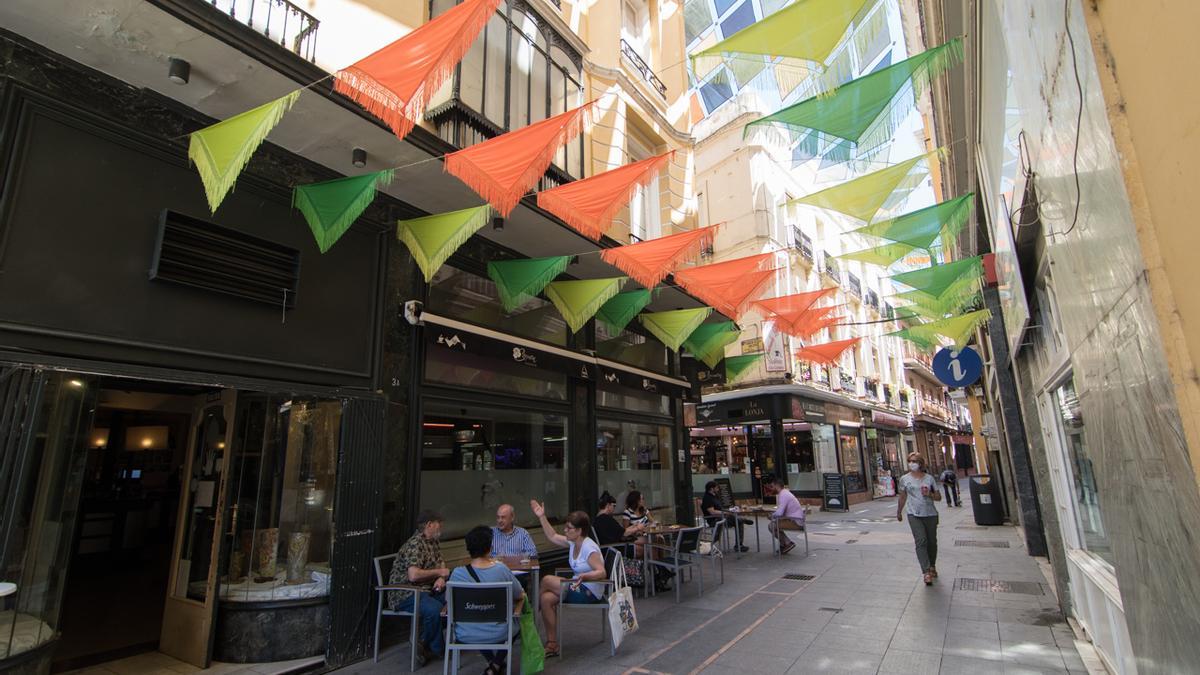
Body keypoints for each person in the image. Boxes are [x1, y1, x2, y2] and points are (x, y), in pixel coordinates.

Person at [529, 499, 606, 658]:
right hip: (576, 586)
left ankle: (528, 617)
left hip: (588, 592)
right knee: (546, 599)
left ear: (579, 531)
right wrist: (541, 516)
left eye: (569, 528)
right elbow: (552, 536)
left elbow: (602, 572)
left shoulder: (588, 548)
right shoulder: (573, 542)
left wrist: (585, 576)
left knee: (546, 580)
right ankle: (552, 644)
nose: (565, 530)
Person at [449, 525, 526, 675]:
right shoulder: (501, 570)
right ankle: (496, 664)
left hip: (465, 632)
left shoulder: (457, 574)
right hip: (499, 631)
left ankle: (493, 663)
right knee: (517, 622)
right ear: (489, 547)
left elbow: (449, 602)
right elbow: (518, 594)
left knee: (477, 618)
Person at [388, 509, 450, 666]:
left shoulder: (433, 541)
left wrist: (441, 578)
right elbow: (413, 575)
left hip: (427, 589)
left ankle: (423, 642)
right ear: (429, 524)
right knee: (435, 609)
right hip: (406, 592)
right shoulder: (415, 544)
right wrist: (439, 572)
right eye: (439, 524)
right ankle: (436, 648)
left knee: (452, 601)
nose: (441, 527)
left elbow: (441, 562)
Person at [897, 452, 943, 585]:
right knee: (921, 541)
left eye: (915, 461)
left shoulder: (929, 479)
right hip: (913, 514)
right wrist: (899, 511)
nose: (912, 463)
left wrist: (930, 494)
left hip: (930, 514)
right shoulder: (904, 479)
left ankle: (932, 565)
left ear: (921, 463)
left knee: (931, 542)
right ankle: (926, 571)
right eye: (910, 461)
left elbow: (939, 497)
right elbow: (902, 496)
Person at [700, 481, 750, 553]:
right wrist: (725, 513)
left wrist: (729, 510)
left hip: (721, 517)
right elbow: (712, 512)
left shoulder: (715, 496)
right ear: (711, 489)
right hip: (714, 520)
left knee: (738, 521)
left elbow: (720, 508)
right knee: (737, 520)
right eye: (716, 488)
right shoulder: (707, 498)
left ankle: (739, 545)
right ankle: (742, 520)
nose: (718, 489)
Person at [763, 475, 806, 555]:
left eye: (772, 486)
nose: (772, 489)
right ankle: (784, 544)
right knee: (775, 523)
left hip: (796, 521)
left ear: (776, 485)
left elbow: (780, 512)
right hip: (795, 519)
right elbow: (781, 512)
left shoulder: (783, 495)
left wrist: (772, 515)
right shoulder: (785, 493)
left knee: (772, 526)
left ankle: (787, 543)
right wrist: (774, 516)